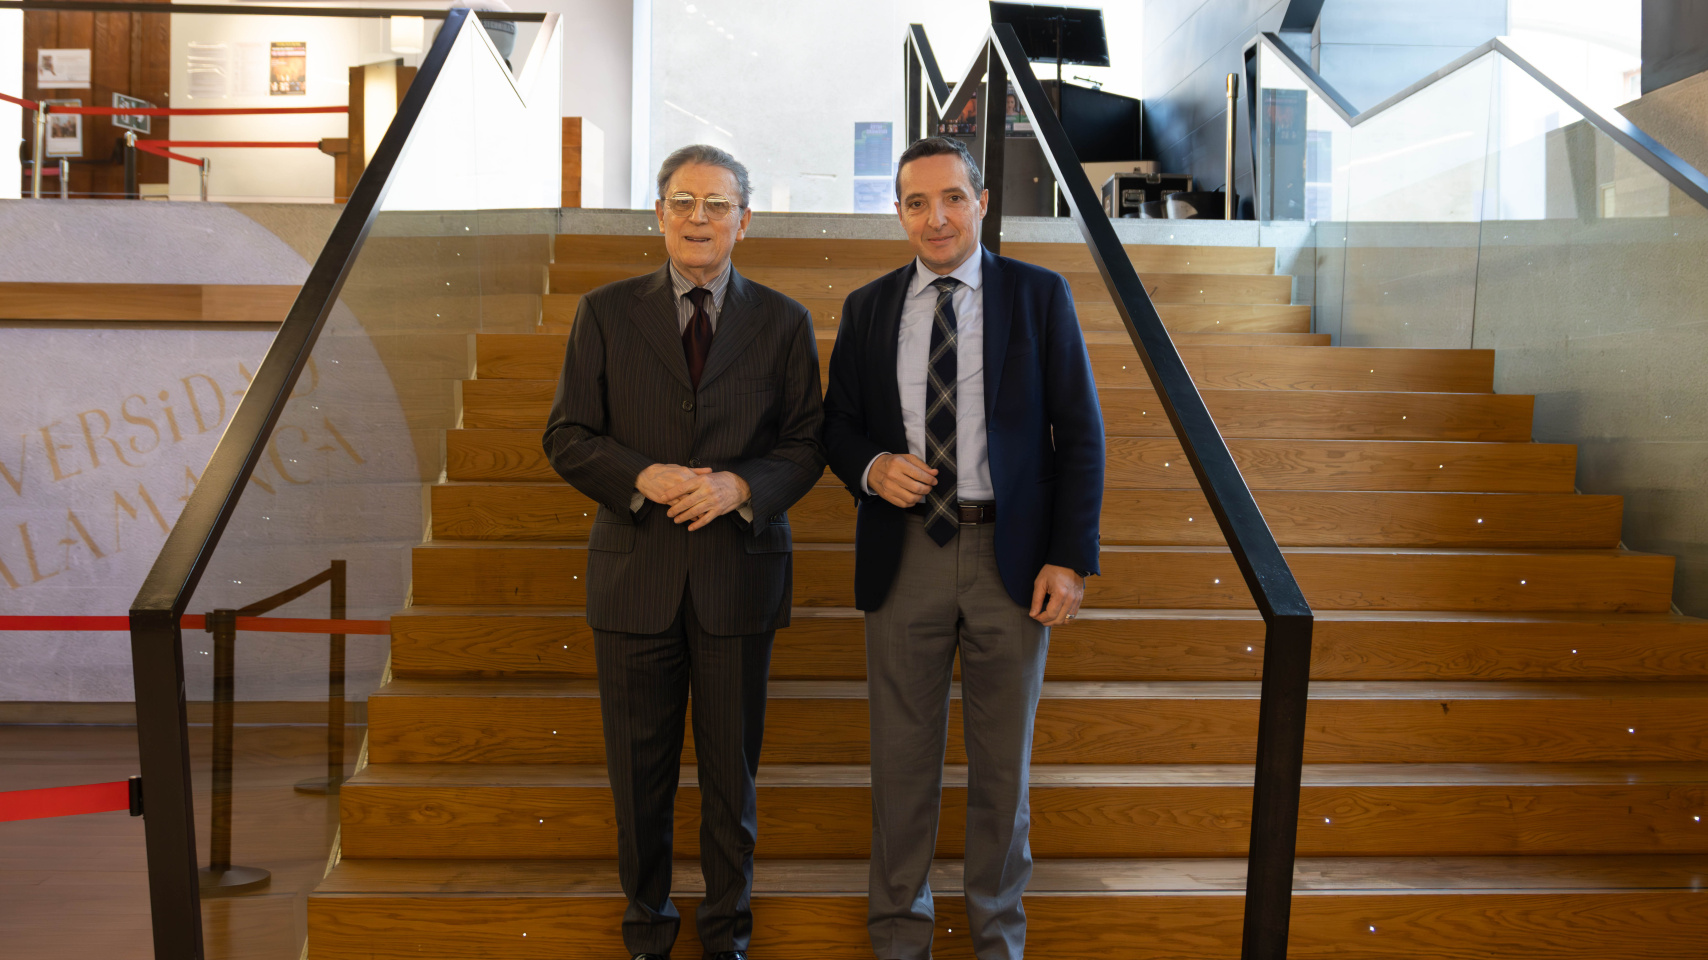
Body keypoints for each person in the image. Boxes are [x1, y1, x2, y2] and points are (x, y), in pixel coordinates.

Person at [820, 136, 1105, 960]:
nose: (936, 217)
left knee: (1002, 771)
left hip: (1008, 561)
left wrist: (1070, 557)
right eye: (916, 202)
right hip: (904, 554)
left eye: (951, 198)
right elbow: (836, 426)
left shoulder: (1039, 295)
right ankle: (898, 938)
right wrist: (872, 467)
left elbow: (1080, 432)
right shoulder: (870, 306)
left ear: (981, 203)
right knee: (900, 765)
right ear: (899, 213)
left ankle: (996, 940)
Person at [542, 143, 826, 960]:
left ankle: (727, 932)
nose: (699, 218)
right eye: (683, 202)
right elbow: (567, 435)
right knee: (640, 777)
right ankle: (647, 930)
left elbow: (806, 444)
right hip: (636, 578)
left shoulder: (783, 320)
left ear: (745, 219)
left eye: (717, 204)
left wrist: (741, 487)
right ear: (659, 214)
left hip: (739, 576)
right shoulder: (604, 312)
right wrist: (641, 475)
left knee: (732, 777)